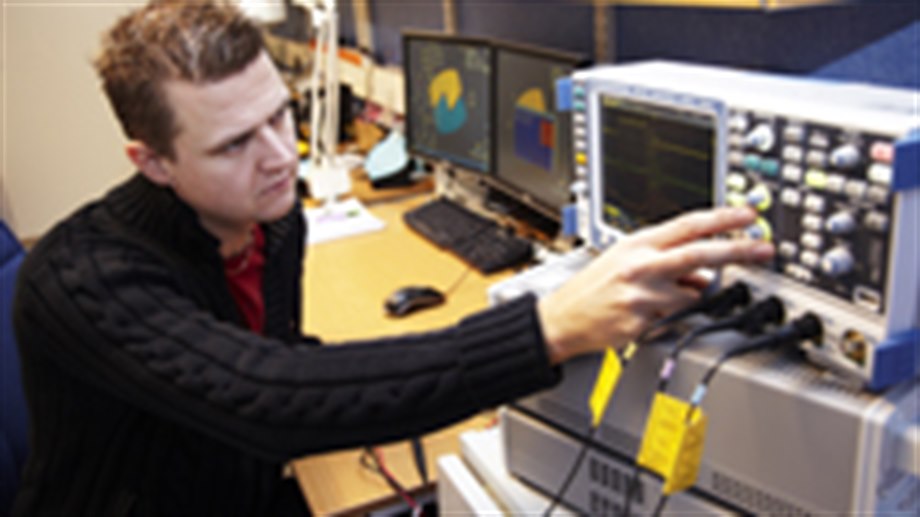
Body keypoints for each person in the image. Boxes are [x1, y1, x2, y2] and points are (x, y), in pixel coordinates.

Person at [11, 1, 774, 515]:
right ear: (151, 162)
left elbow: (279, 358)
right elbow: (262, 395)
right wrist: (547, 327)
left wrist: (403, 381)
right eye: (235, 143)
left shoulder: (269, 218)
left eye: (279, 114)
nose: (280, 156)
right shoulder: (83, 276)